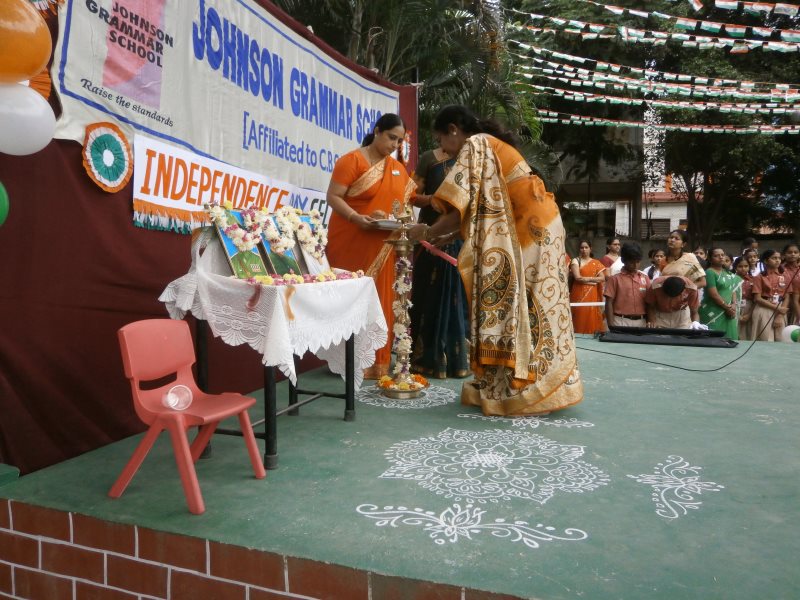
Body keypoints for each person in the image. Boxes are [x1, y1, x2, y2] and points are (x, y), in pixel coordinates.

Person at [411, 105, 583, 416]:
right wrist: (447, 235)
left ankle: (526, 390)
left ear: (453, 130)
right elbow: (479, 208)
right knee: (534, 305)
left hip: (529, 227)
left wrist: (426, 231)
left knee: (528, 306)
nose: (442, 149)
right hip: (542, 223)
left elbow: (462, 206)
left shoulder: (475, 144)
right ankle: (525, 384)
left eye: (440, 140)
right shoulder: (490, 143)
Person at [325, 113, 415, 378]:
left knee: (380, 299)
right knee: (349, 299)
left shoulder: (396, 168)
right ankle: (344, 362)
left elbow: (404, 205)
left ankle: (376, 362)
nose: (394, 145)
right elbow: (333, 197)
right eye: (391, 137)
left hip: (383, 243)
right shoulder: (351, 161)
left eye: (399, 141)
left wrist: (393, 218)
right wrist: (356, 217)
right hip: (350, 239)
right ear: (377, 131)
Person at [408, 147, 470, 378]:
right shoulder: (429, 158)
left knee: (459, 298)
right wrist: (435, 200)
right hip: (429, 237)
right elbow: (411, 196)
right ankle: (426, 360)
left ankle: (458, 361)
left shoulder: (470, 159)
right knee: (428, 296)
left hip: (458, 237)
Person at [604, 242, 650, 328]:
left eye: (638, 262)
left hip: (642, 321)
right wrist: (611, 325)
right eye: (632, 262)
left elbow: (649, 302)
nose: (635, 265)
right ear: (623, 260)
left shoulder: (645, 278)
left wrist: (650, 320)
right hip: (620, 321)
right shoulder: (614, 279)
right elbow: (609, 303)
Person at [749, 249, 790, 342]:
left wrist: (780, 314)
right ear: (766, 260)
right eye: (774, 258)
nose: (777, 260)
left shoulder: (785, 276)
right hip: (764, 307)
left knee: (781, 338)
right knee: (765, 338)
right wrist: (777, 308)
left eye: (779, 258)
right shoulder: (759, 277)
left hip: (781, 307)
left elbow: (787, 296)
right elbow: (757, 298)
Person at [698, 247, 739, 339]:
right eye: (716, 256)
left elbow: (733, 290)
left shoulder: (728, 273)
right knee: (713, 339)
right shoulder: (709, 272)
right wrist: (726, 307)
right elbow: (713, 294)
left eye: (722, 255)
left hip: (729, 311)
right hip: (713, 311)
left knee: (730, 339)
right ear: (710, 259)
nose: (721, 257)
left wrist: (733, 305)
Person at [569, 240, 607, 334]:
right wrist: (593, 281)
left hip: (593, 294)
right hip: (578, 293)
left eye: (586, 247)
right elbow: (578, 278)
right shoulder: (575, 261)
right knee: (579, 315)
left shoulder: (596, 262)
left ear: (590, 249)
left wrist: (586, 279)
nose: (584, 250)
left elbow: (602, 278)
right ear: (579, 249)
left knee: (591, 314)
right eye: (582, 247)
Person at [732, 256, 753, 340]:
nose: (743, 269)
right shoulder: (731, 279)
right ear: (735, 267)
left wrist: (749, 314)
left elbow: (755, 299)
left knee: (747, 332)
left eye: (746, 266)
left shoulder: (753, 280)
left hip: (748, 307)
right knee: (735, 329)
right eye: (740, 266)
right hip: (734, 305)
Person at [780, 242, 800, 325]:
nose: (793, 254)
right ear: (784, 255)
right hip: (785, 306)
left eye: (795, 252)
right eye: (790, 252)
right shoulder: (780, 269)